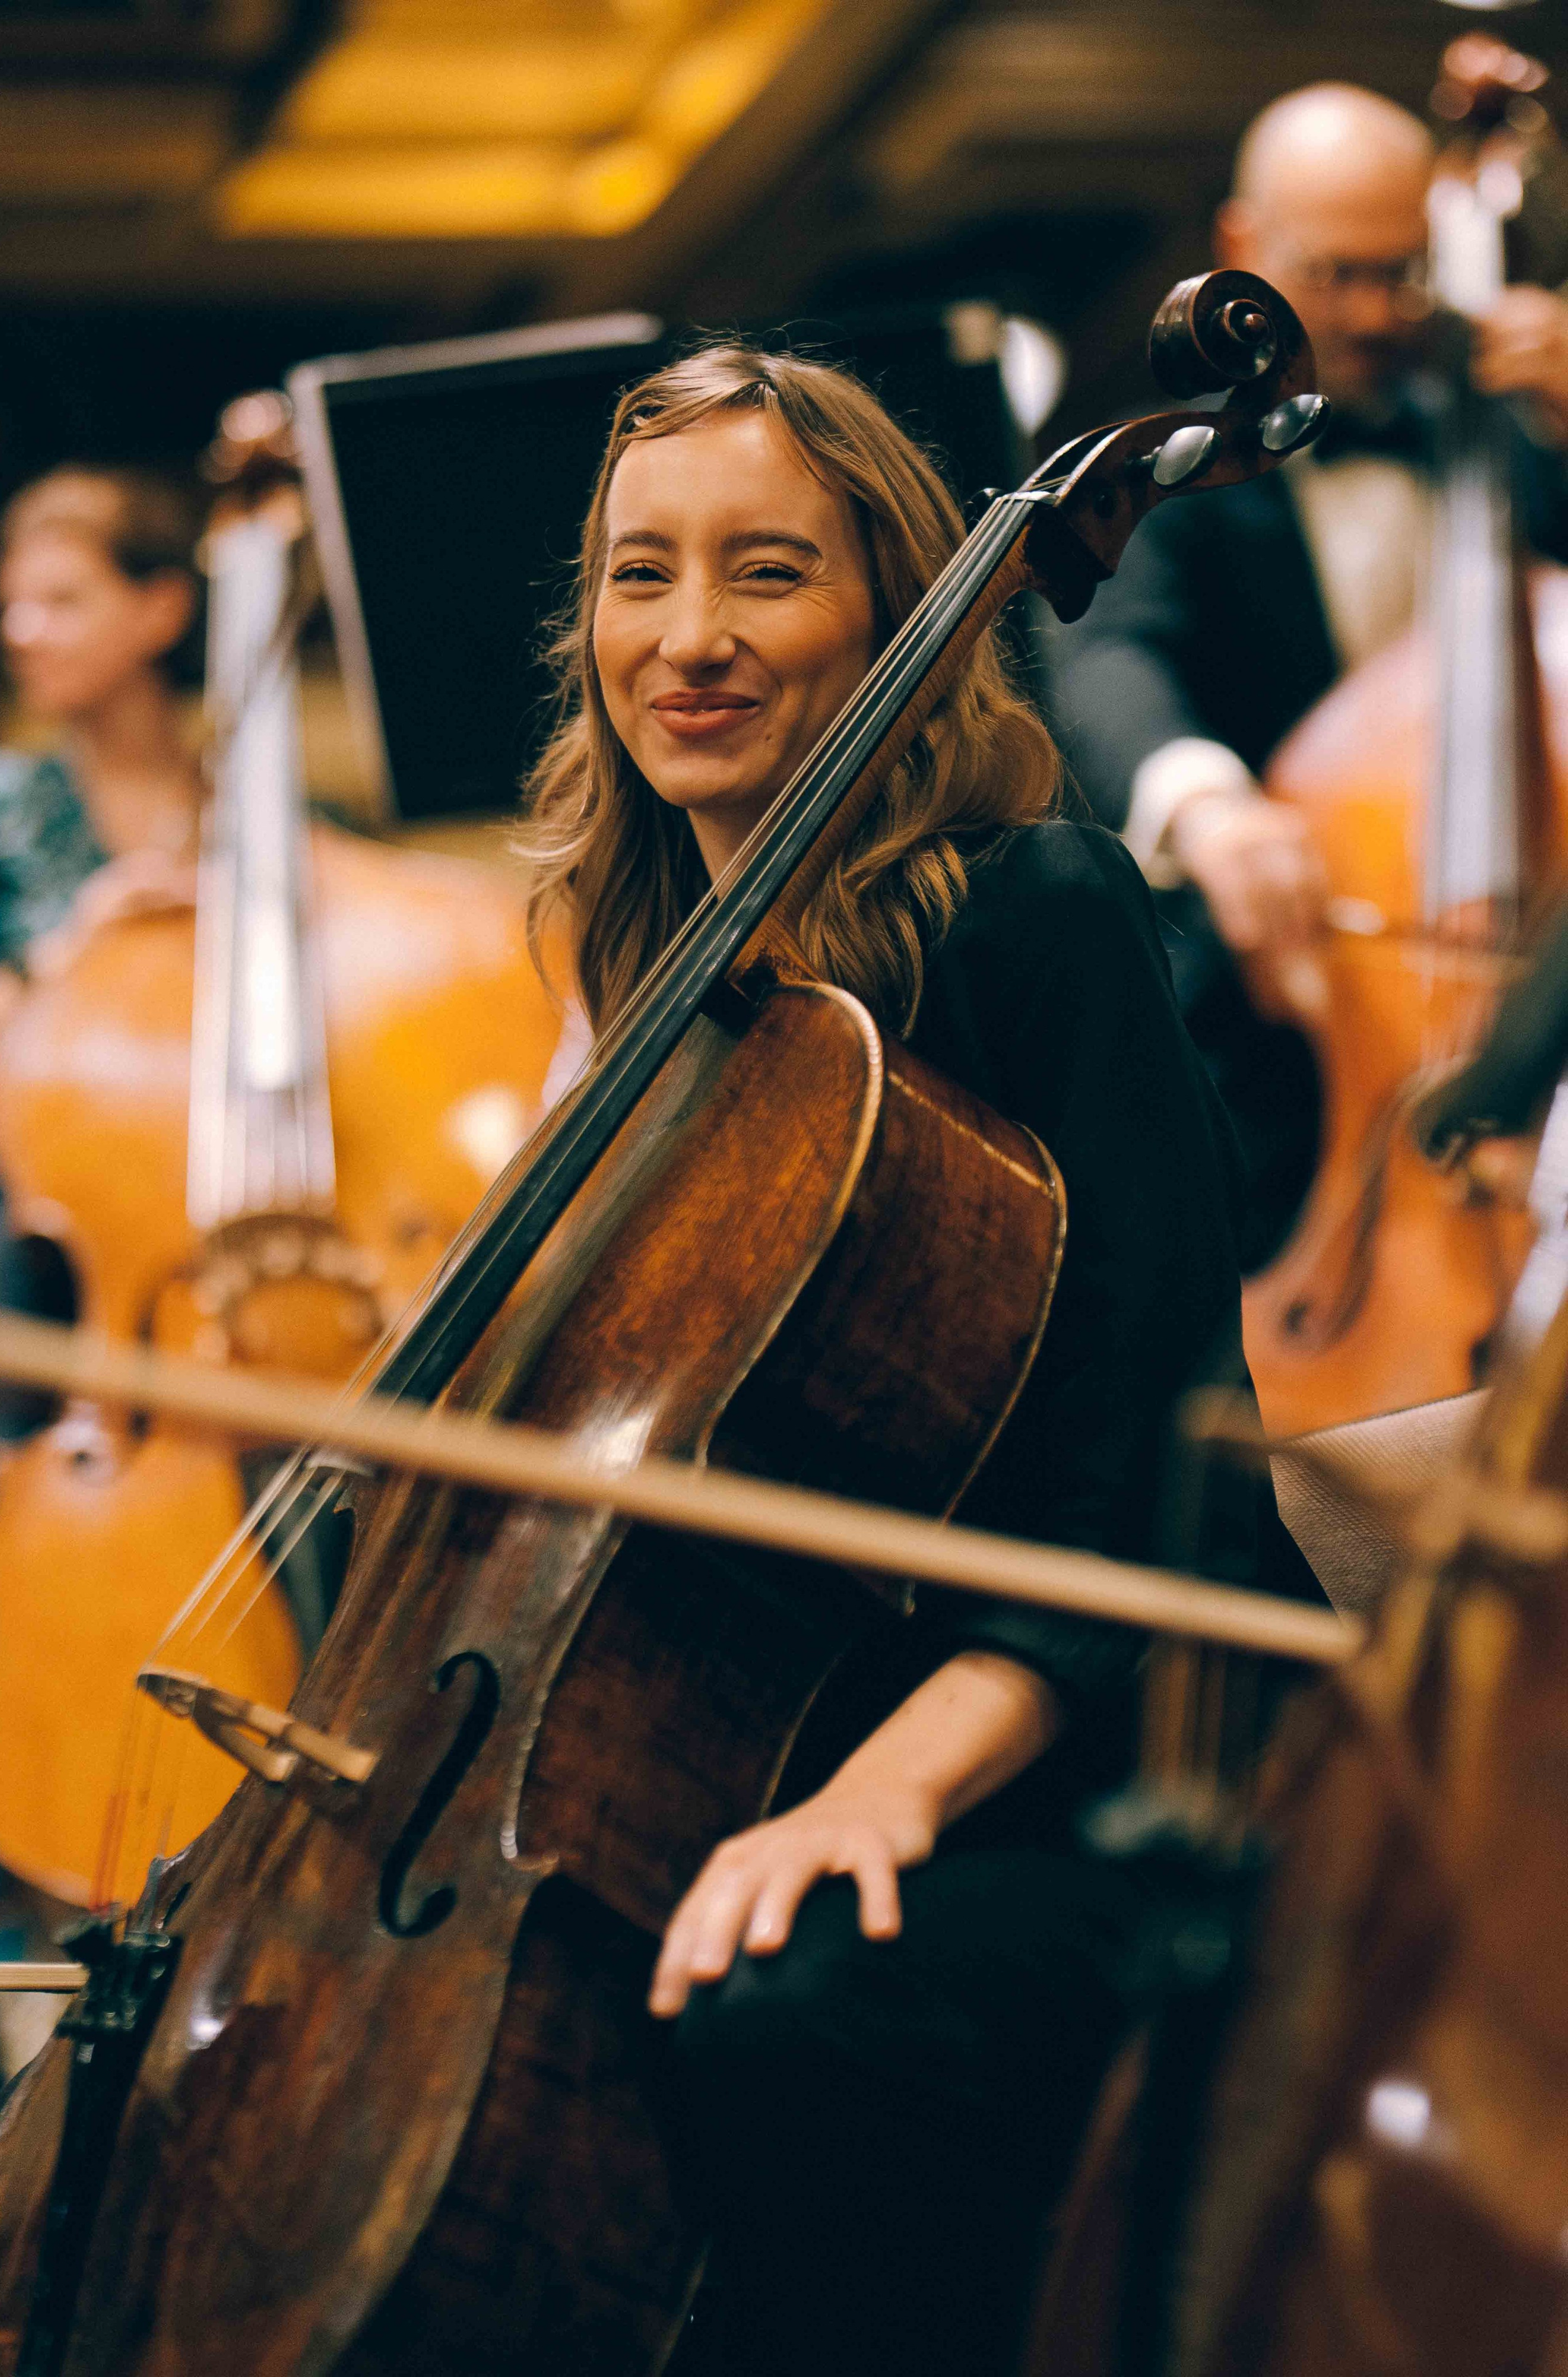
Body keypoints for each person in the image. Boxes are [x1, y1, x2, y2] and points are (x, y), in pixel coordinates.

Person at [512, 345, 1325, 2377]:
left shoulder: (1035, 917)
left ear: (894, 607)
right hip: (782, 1747)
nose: (687, 640)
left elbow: (1139, 1484)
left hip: (1121, 1783)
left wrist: (867, 1803)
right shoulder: (641, 990)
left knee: (779, 2015)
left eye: (766, 573)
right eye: (640, 577)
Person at [1047, 79, 1568, 1266]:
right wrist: (1208, 802)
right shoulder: (1177, 469)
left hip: (1535, 1040)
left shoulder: (1516, 454)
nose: (1381, 313)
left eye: (1407, 270)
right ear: (1244, 250)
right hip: (1281, 1059)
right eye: (1339, 274)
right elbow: (1108, 648)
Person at [0, 466, 204, 1439]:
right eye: (12, 608)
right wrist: (78, 948)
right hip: (34, 1216)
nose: (21, 630)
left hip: (204, 1202)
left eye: (61, 600)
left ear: (160, 608)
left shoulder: (264, 819)